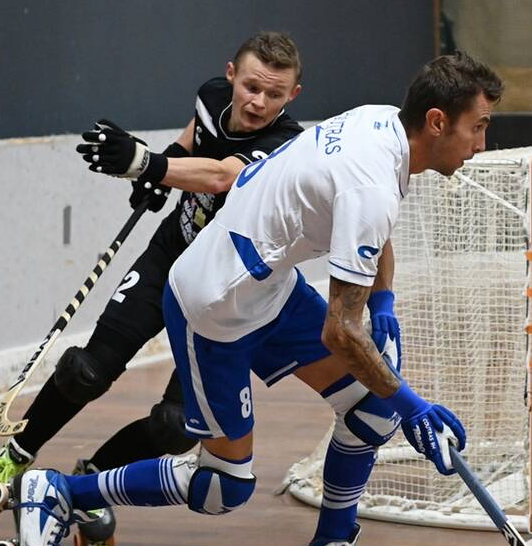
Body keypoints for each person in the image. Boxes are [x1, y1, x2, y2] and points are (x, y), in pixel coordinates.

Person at [11, 51, 505, 546]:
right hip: (214, 306)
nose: (481, 144)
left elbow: (373, 229)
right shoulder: (371, 183)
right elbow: (341, 331)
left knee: (373, 409)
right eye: (478, 127)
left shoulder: (379, 122)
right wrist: (414, 406)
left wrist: (383, 303)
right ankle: (61, 491)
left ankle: (333, 537)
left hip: (268, 286)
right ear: (436, 122)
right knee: (223, 485)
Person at [0, 31, 304, 545]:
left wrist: (146, 163)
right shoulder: (211, 96)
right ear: (231, 74)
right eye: (251, 87)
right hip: (169, 257)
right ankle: (12, 457)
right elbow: (196, 138)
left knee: (176, 426)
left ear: (292, 96)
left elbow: (221, 176)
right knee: (87, 370)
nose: (258, 102)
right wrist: (166, 165)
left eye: (274, 94)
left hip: (221, 296)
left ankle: (83, 488)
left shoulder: (285, 143)